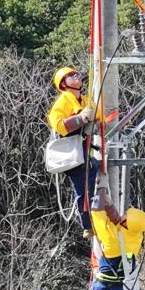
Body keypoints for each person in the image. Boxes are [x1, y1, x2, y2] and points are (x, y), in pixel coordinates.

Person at [46, 66, 100, 235]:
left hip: (83, 149)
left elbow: (99, 118)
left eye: (76, 74)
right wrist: (80, 118)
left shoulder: (85, 100)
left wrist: (94, 123)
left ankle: (92, 218)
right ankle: (87, 225)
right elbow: (59, 125)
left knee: (94, 169)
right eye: (71, 75)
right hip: (71, 152)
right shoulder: (63, 101)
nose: (76, 76)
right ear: (63, 84)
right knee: (82, 189)